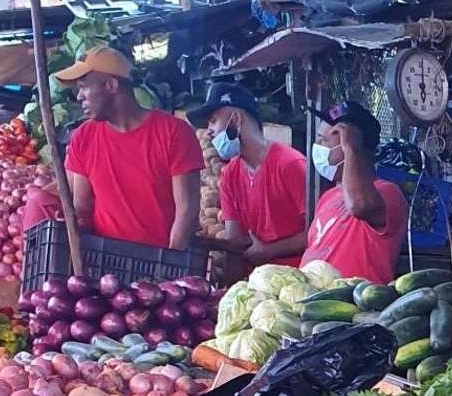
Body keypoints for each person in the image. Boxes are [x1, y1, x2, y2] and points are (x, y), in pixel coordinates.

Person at [56, 47, 203, 250]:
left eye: (83, 87)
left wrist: (170, 262)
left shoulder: (174, 133)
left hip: (160, 259)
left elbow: (187, 211)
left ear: (111, 85)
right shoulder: (83, 137)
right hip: (105, 261)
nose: (79, 97)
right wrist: (69, 222)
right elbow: (82, 207)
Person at [188, 83, 308, 267]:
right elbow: (234, 242)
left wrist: (270, 251)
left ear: (235, 119)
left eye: (213, 120)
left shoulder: (290, 164)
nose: (209, 130)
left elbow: (318, 232)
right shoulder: (229, 176)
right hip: (255, 280)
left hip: (298, 276)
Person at [301, 102, 408, 283]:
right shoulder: (328, 197)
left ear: (351, 143)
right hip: (313, 297)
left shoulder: (388, 193)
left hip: (353, 299)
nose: (317, 146)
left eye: (324, 140)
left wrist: (352, 150)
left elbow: (360, 206)